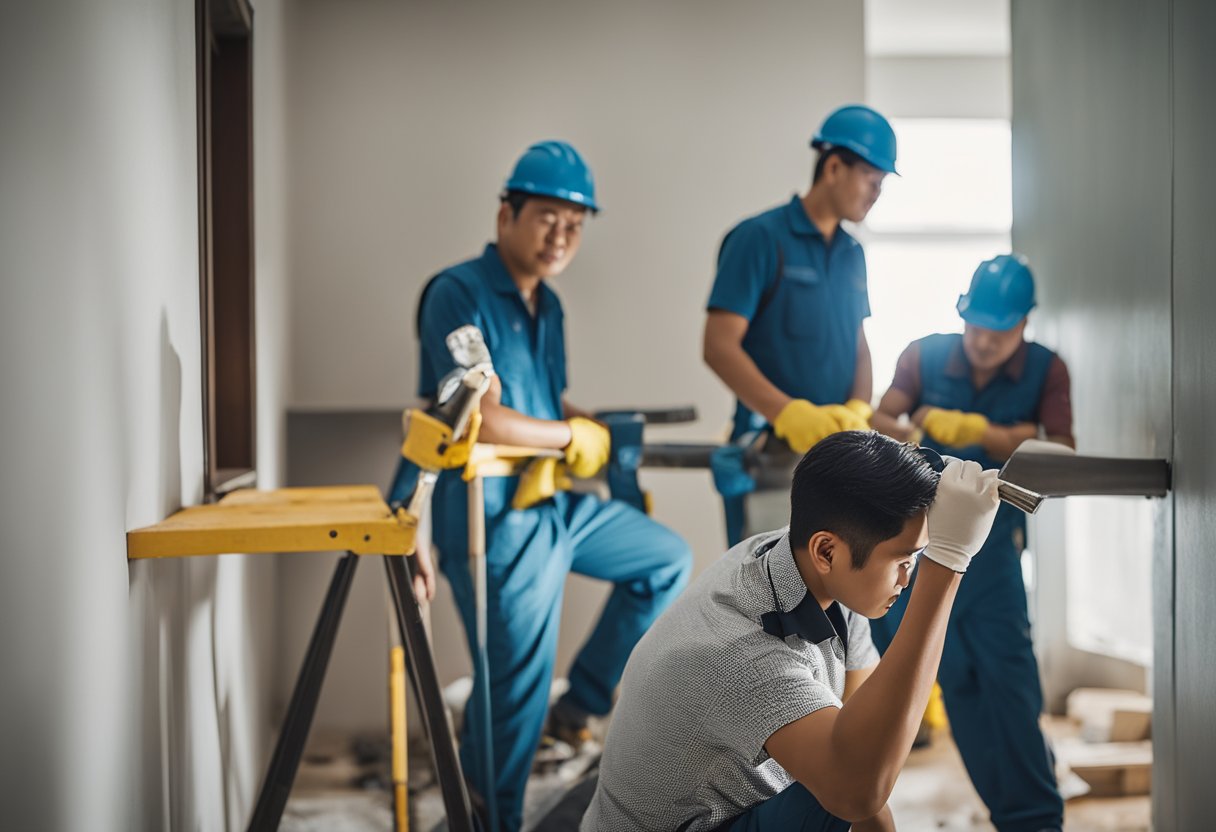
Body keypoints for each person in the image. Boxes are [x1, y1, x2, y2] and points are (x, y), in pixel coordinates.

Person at [411, 140, 693, 831]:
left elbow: (548, 404)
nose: (561, 235)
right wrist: (573, 439)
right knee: (512, 697)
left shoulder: (550, 306)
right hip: (491, 519)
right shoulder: (459, 293)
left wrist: (594, 425)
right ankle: (482, 819)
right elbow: (474, 417)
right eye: (546, 217)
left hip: (551, 507)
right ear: (507, 211)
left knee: (666, 561)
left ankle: (579, 706)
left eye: (575, 224)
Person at [581, 431, 1002, 831]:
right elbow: (858, 791)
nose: (906, 579)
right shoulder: (738, 654)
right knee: (836, 791)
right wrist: (949, 563)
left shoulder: (807, 565)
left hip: (727, 811)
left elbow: (867, 733)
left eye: (918, 557)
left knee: (850, 764)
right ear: (826, 551)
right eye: (902, 560)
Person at [869, 253, 1072, 832]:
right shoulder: (923, 353)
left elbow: (1063, 449)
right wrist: (909, 430)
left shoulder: (1047, 370)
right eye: (975, 326)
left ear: (1024, 325)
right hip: (918, 540)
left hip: (994, 550)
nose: (983, 342)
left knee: (1009, 679)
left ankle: (1036, 819)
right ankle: (1013, 812)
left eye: (998, 331)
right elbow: (882, 418)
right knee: (954, 678)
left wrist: (984, 432)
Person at [703, 104, 897, 545]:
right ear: (833, 167)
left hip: (837, 455)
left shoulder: (853, 254)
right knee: (763, 596)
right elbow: (718, 345)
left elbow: (858, 344)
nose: (876, 194)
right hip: (770, 453)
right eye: (871, 180)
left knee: (832, 595)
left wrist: (858, 410)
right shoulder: (758, 239)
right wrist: (787, 413)